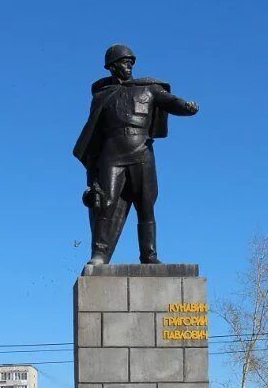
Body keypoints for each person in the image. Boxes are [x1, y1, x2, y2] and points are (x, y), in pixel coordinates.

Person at [73, 44, 200, 265]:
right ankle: (99, 254)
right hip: (112, 153)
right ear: (112, 67)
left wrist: (186, 107)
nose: (129, 66)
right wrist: (91, 177)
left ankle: (149, 256)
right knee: (105, 202)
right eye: (124, 62)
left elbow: (170, 101)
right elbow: (93, 136)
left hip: (141, 150)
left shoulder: (149, 88)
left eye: (131, 62)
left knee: (146, 204)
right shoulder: (102, 95)